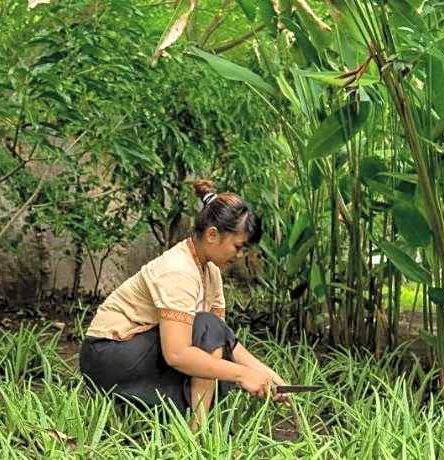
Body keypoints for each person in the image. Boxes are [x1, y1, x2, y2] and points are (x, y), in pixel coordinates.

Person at [79, 180, 289, 429]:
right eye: (238, 246)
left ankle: (196, 429)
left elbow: (220, 341)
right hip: (108, 355)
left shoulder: (210, 272)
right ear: (212, 235)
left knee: (214, 352)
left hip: (135, 350)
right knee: (212, 348)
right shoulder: (178, 269)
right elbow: (177, 354)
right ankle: (196, 434)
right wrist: (243, 375)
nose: (240, 255)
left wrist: (271, 378)